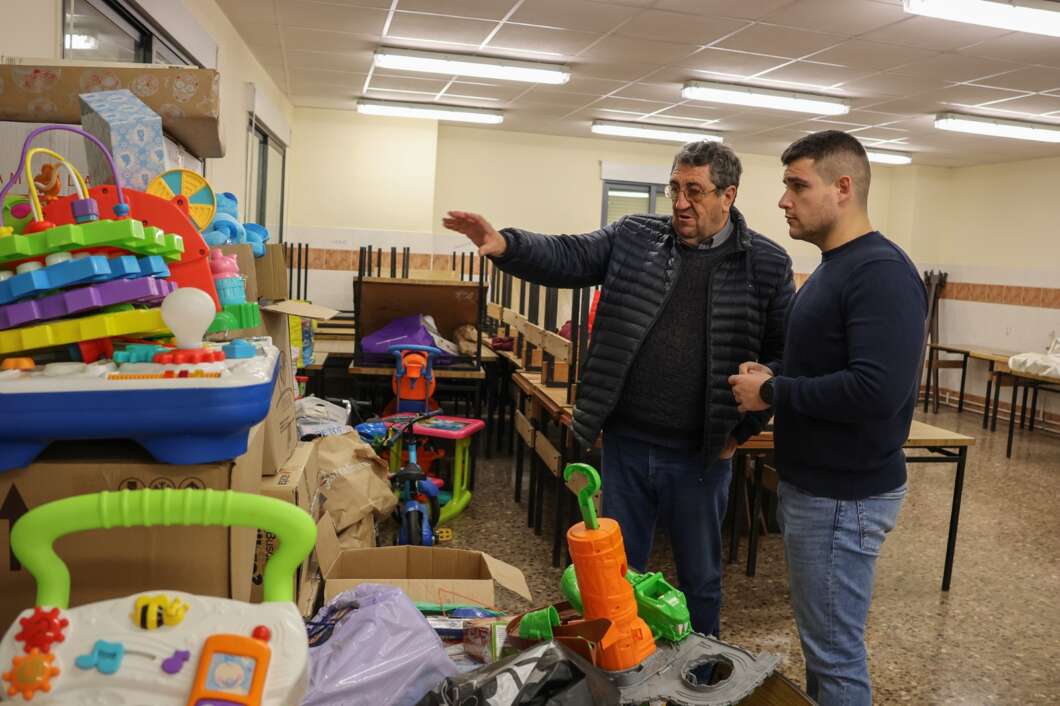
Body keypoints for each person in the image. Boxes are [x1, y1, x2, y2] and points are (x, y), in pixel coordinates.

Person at [443, 141, 794, 637]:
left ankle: (702, 667)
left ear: (728, 195)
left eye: (694, 191)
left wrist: (742, 430)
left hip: (701, 453)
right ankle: (622, 664)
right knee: (616, 574)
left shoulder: (767, 263)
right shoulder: (635, 236)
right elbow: (569, 254)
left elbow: (783, 357)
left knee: (700, 580)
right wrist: (506, 245)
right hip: (628, 444)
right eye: (675, 188)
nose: (680, 203)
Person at [728, 130, 927, 705]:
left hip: (844, 497)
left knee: (836, 658)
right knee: (824, 649)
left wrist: (774, 392)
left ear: (843, 188)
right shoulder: (836, 266)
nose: (784, 200)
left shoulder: (881, 272)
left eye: (797, 185)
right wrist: (773, 373)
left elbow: (876, 390)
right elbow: (823, 363)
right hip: (819, 489)